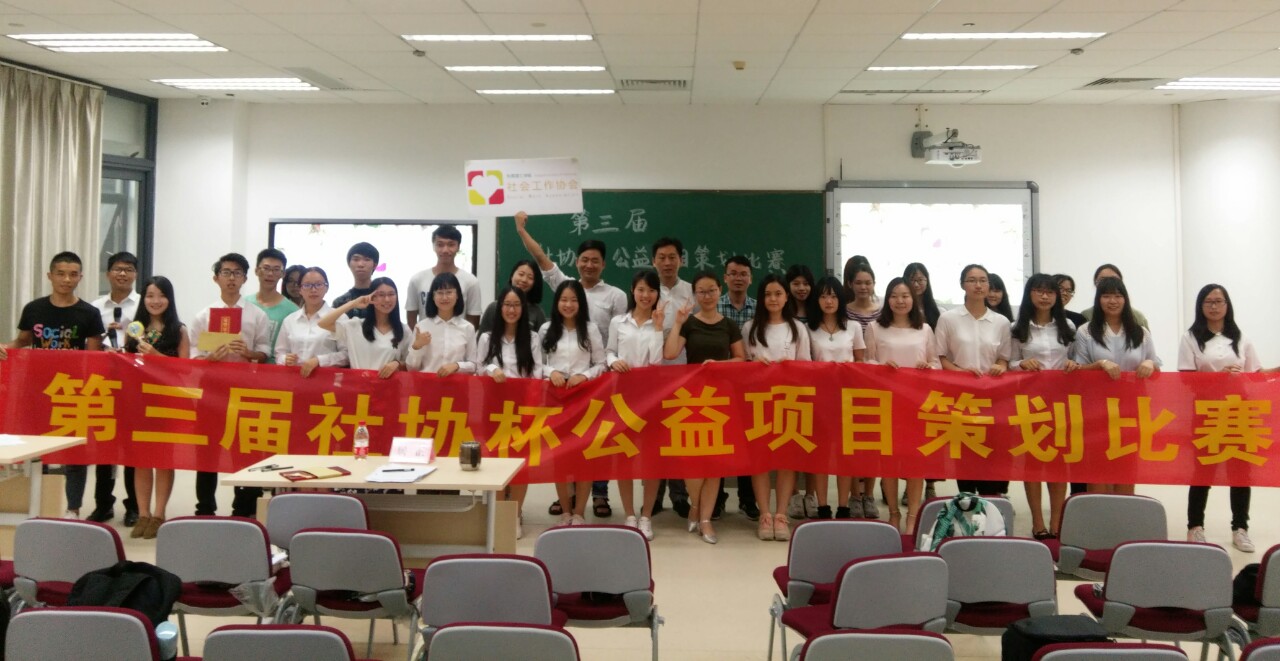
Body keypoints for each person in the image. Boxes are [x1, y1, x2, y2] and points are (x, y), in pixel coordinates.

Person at [515, 210, 626, 518]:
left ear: (603, 264)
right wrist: (521, 232)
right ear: (577, 262)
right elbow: (541, 259)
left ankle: (598, 496)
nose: (589, 264)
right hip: (556, 394)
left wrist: (586, 376)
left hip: (594, 386)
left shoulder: (615, 296)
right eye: (584, 259)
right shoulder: (550, 319)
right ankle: (567, 501)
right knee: (561, 448)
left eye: (595, 260)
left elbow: (615, 340)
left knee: (593, 444)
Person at [0, 252, 105, 520]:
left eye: (73, 274)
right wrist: (5, 348)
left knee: (75, 453)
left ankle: (73, 510)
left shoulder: (89, 313)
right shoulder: (34, 309)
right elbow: (22, 341)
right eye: (61, 273)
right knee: (38, 450)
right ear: (50, 276)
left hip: (73, 392)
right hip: (38, 390)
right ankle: (41, 506)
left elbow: (93, 357)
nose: (66, 279)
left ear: (80, 277)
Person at [663, 271, 745, 544]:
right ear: (695, 294)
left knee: (715, 463)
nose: (707, 296)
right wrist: (677, 323)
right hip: (692, 399)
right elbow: (670, 353)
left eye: (711, 290)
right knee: (693, 461)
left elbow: (740, 359)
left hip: (721, 399)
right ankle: (695, 506)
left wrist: (719, 365)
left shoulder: (729, 325)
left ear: (720, 290)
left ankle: (706, 519)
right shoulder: (689, 323)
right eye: (701, 291)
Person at [189, 253, 273, 517]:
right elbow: (193, 356)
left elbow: (265, 352)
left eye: (237, 273)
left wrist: (248, 353)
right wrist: (209, 358)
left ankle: (244, 507)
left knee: (244, 446)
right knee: (208, 448)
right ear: (216, 278)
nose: (231, 278)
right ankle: (205, 507)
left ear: (245, 279)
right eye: (226, 272)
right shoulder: (203, 316)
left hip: (245, 387)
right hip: (212, 388)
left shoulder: (257, 315)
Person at [1178, 283, 1258, 553]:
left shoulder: (1240, 337)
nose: (1214, 306)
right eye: (1208, 302)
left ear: (1227, 305)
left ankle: (1240, 528)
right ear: (1201, 306)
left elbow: (1255, 375)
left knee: (1241, 471)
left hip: (1238, 410)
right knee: (1203, 470)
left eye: (1219, 301)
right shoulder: (1191, 337)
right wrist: (1217, 377)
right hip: (1207, 411)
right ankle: (1195, 526)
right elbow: (1185, 378)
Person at [1070, 276, 1160, 494]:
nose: (1112, 301)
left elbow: (1155, 367)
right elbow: (1079, 370)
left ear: (1125, 299)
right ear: (1098, 299)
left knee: (1126, 463)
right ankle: (1100, 512)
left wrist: (1150, 363)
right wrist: (1100, 364)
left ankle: (1123, 511)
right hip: (1097, 409)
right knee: (1098, 464)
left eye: (1118, 296)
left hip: (1130, 408)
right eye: (1107, 296)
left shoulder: (1140, 332)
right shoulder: (1086, 331)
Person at [865, 277, 939, 532]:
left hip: (917, 404)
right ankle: (894, 513)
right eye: (895, 296)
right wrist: (881, 367)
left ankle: (913, 516)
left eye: (905, 296)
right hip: (887, 404)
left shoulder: (925, 329)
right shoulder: (875, 328)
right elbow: (867, 363)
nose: (900, 301)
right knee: (889, 461)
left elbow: (936, 364)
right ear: (887, 299)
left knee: (915, 462)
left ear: (913, 299)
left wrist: (927, 367)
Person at [743, 274, 812, 542]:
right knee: (760, 460)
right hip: (758, 401)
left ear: (786, 297)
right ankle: (765, 514)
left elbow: (807, 366)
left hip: (789, 401)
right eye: (768, 294)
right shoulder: (750, 327)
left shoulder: (798, 328)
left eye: (778, 294)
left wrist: (790, 367)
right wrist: (753, 366)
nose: (773, 299)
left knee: (785, 458)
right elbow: (741, 366)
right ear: (761, 298)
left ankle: (781, 514)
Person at [1010, 273, 1079, 540]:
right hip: (1029, 403)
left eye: (1050, 292)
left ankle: (1057, 523)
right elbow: (1009, 362)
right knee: (1033, 463)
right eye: (1039, 291)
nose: (1045, 296)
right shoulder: (1017, 328)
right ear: (1029, 294)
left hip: (1061, 403)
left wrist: (1073, 365)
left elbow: (1076, 360)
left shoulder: (1068, 326)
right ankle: (1038, 523)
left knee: (1059, 463)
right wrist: (1021, 364)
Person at [934, 264, 1012, 497]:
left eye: (983, 280)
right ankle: (966, 505)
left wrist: (1000, 366)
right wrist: (960, 373)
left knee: (991, 453)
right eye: (972, 280)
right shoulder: (948, 319)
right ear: (962, 285)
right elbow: (940, 357)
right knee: (965, 455)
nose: (978, 285)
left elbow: (1004, 358)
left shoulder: (1001, 322)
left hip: (993, 399)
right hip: (961, 398)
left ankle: (992, 506)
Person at [123, 276, 189, 539]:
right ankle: (143, 514)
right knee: (140, 460)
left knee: (162, 460)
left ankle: (159, 515)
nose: (155, 301)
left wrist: (156, 356)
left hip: (166, 402)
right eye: (150, 295)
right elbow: (127, 364)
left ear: (169, 299)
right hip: (137, 401)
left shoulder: (178, 330)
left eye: (161, 295)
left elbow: (185, 370)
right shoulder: (134, 329)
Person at [477, 286, 544, 537]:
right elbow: (479, 366)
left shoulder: (533, 338)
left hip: (522, 408)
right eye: (507, 305)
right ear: (499, 308)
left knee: (520, 463)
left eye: (516, 305)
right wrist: (492, 369)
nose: (511, 310)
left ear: (523, 309)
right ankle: (498, 514)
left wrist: (521, 387)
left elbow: (538, 371)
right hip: (494, 408)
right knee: (495, 461)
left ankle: (515, 514)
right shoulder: (487, 338)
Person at [540, 280, 606, 527]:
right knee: (559, 458)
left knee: (583, 457)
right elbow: (537, 364)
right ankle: (565, 511)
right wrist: (551, 372)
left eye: (573, 300)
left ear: (581, 303)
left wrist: (585, 375)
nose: (568, 305)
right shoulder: (546, 329)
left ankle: (579, 513)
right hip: (555, 400)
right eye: (563, 300)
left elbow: (601, 364)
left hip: (583, 399)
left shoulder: (590, 329)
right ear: (556, 302)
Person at [607, 270, 666, 540]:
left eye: (651, 290)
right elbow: (609, 351)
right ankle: (629, 515)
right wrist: (613, 361)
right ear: (633, 290)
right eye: (641, 289)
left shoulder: (658, 323)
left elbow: (656, 362)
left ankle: (646, 516)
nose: (646, 295)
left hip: (651, 398)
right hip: (623, 398)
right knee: (625, 456)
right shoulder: (618, 322)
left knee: (651, 459)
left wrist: (658, 328)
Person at [88, 251, 140, 526]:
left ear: (135, 275)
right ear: (108, 273)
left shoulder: (144, 306)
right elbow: (87, 346)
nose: (123, 274)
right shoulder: (94, 308)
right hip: (103, 384)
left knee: (132, 447)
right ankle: (103, 504)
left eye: (128, 269)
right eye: (118, 269)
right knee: (104, 446)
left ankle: (134, 506)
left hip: (135, 385)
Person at [806, 276, 865, 521]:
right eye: (823, 296)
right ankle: (822, 506)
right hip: (819, 399)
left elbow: (860, 361)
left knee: (844, 454)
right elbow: (805, 363)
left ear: (840, 299)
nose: (828, 301)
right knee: (821, 454)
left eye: (833, 296)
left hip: (847, 398)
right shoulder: (808, 328)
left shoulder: (853, 327)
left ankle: (843, 506)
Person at [652, 237, 694, 517]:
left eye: (672, 257)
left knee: (678, 435)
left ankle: (679, 495)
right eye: (662, 258)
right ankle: (653, 496)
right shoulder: (646, 290)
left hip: (682, 373)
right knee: (654, 437)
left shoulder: (692, 291)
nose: (667, 263)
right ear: (653, 261)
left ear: (681, 260)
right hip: (652, 375)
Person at [716, 255, 760, 521]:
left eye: (743, 274)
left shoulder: (759, 308)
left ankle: (747, 498)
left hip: (752, 386)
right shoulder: (714, 305)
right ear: (725, 278)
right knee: (720, 441)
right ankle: (717, 498)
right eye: (733, 273)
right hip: (720, 385)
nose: (738, 278)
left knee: (748, 443)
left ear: (750, 278)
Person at [840, 259, 881, 518]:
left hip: (878, 385)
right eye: (858, 283)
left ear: (874, 283)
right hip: (851, 386)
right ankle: (855, 495)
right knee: (852, 442)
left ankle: (870, 495)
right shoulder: (844, 313)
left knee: (875, 442)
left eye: (868, 282)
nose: (863, 287)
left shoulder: (883, 312)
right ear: (850, 284)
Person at [318, 276, 407, 379]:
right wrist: (353, 304)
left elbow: (410, 364)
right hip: (359, 386)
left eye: (391, 294)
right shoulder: (355, 326)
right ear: (371, 297)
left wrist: (397, 363)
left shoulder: (404, 330)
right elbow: (323, 323)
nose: (387, 299)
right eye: (381, 295)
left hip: (388, 387)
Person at [275, 267, 348, 377]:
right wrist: (285, 359)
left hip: (327, 380)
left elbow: (347, 355)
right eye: (307, 285)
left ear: (326, 288)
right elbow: (279, 353)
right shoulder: (290, 320)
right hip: (294, 379)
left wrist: (319, 361)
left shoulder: (339, 317)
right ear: (300, 289)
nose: (313, 290)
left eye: (318, 284)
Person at [406, 225, 481, 328]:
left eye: (451, 245)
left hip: (458, 337)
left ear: (458, 247)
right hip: (426, 337)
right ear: (433, 246)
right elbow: (411, 317)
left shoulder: (471, 282)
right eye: (440, 245)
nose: (445, 250)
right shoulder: (417, 279)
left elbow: (473, 321)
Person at [406, 272, 477, 377]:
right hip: (427, 384)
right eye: (440, 293)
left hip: (457, 385)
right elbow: (411, 369)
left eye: (449, 292)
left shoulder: (468, 328)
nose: (444, 297)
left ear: (457, 295)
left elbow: (474, 365)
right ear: (433, 296)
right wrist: (416, 347)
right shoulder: (421, 327)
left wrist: (457, 366)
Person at [245, 248, 299, 363]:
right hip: (244, 368)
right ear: (256, 271)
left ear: (283, 274)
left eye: (276, 270)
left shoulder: (293, 310)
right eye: (266, 268)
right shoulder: (244, 304)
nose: (270, 274)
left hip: (275, 370)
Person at [478, 260, 547, 334]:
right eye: (521, 274)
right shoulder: (494, 308)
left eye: (530, 277)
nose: (524, 280)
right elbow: (482, 338)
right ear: (512, 276)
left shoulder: (537, 313)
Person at [1081, 264, 1150, 329]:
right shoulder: (1086, 316)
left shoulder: (1137, 317)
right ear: (1095, 283)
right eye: (1102, 280)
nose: (1109, 283)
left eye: (1114, 279)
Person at [331, 242, 380, 319]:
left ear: (375, 265)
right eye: (356, 259)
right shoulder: (340, 302)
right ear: (349, 264)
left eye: (367, 259)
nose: (360, 264)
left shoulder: (382, 298)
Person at [903, 262, 942, 329]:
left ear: (927, 281)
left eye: (920, 280)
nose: (916, 284)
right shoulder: (900, 307)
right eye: (911, 280)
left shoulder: (939, 311)